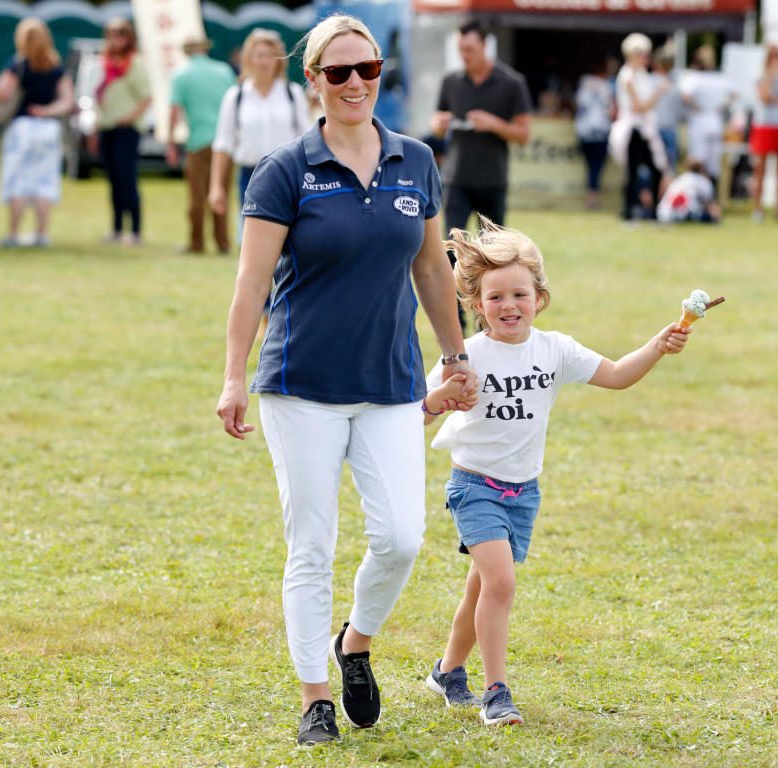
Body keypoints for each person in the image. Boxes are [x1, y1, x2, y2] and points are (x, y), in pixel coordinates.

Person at [214, 13, 476, 747]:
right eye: (339, 72)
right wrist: (234, 377)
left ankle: (354, 642)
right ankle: (314, 700)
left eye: (368, 70)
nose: (356, 83)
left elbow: (431, 267)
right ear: (314, 82)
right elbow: (251, 281)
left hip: (391, 381)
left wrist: (455, 356)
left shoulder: (415, 160)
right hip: (299, 384)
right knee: (312, 544)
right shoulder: (284, 170)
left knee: (401, 537)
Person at [421, 216, 690, 725]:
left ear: (538, 300)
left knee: (482, 585)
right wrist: (441, 396)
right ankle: (496, 692)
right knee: (500, 582)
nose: (508, 306)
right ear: (477, 305)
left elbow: (614, 375)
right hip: (474, 485)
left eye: (519, 295)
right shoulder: (466, 355)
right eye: (495, 297)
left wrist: (656, 346)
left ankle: (447, 670)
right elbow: (421, 409)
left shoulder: (555, 350)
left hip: (523, 491)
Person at [209, 28, 311, 248]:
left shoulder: (292, 94)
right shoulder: (235, 97)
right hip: (250, 176)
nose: (265, 61)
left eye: (270, 55)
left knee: (289, 240)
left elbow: (307, 139)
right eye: (259, 55)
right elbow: (223, 143)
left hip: (288, 175)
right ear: (248, 59)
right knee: (253, 242)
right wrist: (216, 186)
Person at [429, 19, 532, 234]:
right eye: (460, 50)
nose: (464, 55)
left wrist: (494, 124)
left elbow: (524, 135)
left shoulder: (512, 82)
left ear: (485, 46)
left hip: (493, 180)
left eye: (469, 49)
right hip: (456, 179)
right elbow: (436, 126)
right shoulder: (451, 81)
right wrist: (438, 124)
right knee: (453, 248)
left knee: (493, 254)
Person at [0, 18, 75, 248]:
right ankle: (41, 234)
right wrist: (46, 110)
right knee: (44, 182)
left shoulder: (18, 64)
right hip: (48, 128)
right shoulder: (55, 67)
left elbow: (0, 92)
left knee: (18, 180)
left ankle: (12, 233)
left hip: (22, 127)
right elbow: (68, 101)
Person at [166, 35, 235, 254]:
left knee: (197, 197)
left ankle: (197, 243)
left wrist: (170, 143)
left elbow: (174, 112)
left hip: (198, 141)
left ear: (186, 52)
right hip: (225, 141)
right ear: (205, 49)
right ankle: (223, 243)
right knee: (222, 193)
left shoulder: (181, 75)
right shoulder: (224, 71)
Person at [91, 17, 151, 246]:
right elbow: (99, 98)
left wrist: (129, 117)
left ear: (128, 37)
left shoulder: (134, 63)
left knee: (127, 179)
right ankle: (116, 227)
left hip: (126, 129)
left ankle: (135, 230)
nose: (115, 39)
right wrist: (96, 126)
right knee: (113, 179)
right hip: (107, 127)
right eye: (111, 34)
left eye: (120, 34)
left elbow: (146, 96)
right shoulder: (105, 63)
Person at [609, 33, 670, 221]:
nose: (645, 58)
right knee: (633, 171)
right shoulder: (627, 76)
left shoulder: (642, 74)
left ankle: (652, 211)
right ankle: (630, 211)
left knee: (656, 170)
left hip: (646, 129)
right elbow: (639, 106)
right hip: (633, 129)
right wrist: (659, 93)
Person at [749, 43, 778, 222]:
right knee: (761, 168)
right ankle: (758, 207)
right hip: (764, 125)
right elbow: (765, 97)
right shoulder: (761, 76)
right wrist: (771, 78)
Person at [681, 45, 734, 187]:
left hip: (700, 121)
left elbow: (685, 96)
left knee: (699, 158)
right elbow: (733, 95)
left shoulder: (694, 78)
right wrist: (720, 108)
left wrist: (697, 107)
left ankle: (699, 191)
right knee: (713, 160)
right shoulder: (720, 78)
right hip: (715, 120)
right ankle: (711, 193)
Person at [573, 57, 614, 210]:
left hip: (584, 131)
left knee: (591, 166)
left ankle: (590, 197)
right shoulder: (608, 86)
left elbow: (577, 104)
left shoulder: (583, 84)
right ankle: (592, 198)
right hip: (601, 131)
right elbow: (611, 109)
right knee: (596, 167)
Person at [656, 158, 722, 223]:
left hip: (664, 212)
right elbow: (710, 203)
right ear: (701, 169)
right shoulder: (703, 181)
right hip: (685, 214)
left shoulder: (680, 179)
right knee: (709, 216)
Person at [651, 49, 682, 172]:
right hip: (669, 127)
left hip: (654, 128)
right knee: (669, 166)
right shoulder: (675, 83)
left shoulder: (649, 81)